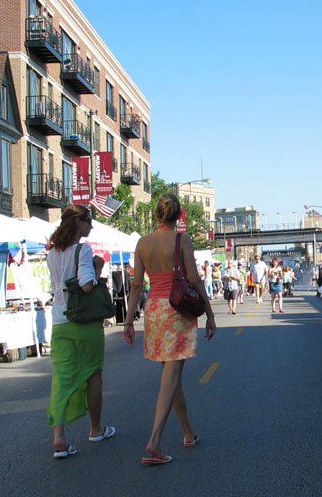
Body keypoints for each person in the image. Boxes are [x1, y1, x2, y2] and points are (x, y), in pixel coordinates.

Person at [123, 194, 216, 466]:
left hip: (154, 309)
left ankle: (188, 432)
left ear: (156, 215)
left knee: (170, 376)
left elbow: (137, 286)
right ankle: (155, 440)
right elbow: (195, 279)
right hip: (176, 309)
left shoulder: (142, 243)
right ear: (178, 216)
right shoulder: (181, 240)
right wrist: (209, 314)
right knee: (171, 375)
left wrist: (129, 321)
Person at [46, 205, 115, 459]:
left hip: (59, 322)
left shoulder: (52, 252)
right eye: (89, 222)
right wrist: (97, 267)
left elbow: (58, 285)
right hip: (84, 323)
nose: (92, 226)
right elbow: (86, 285)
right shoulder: (83, 250)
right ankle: (96, 429)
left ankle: (59, 438)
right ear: (79, 224)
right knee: (93, 374)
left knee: (61, 377)